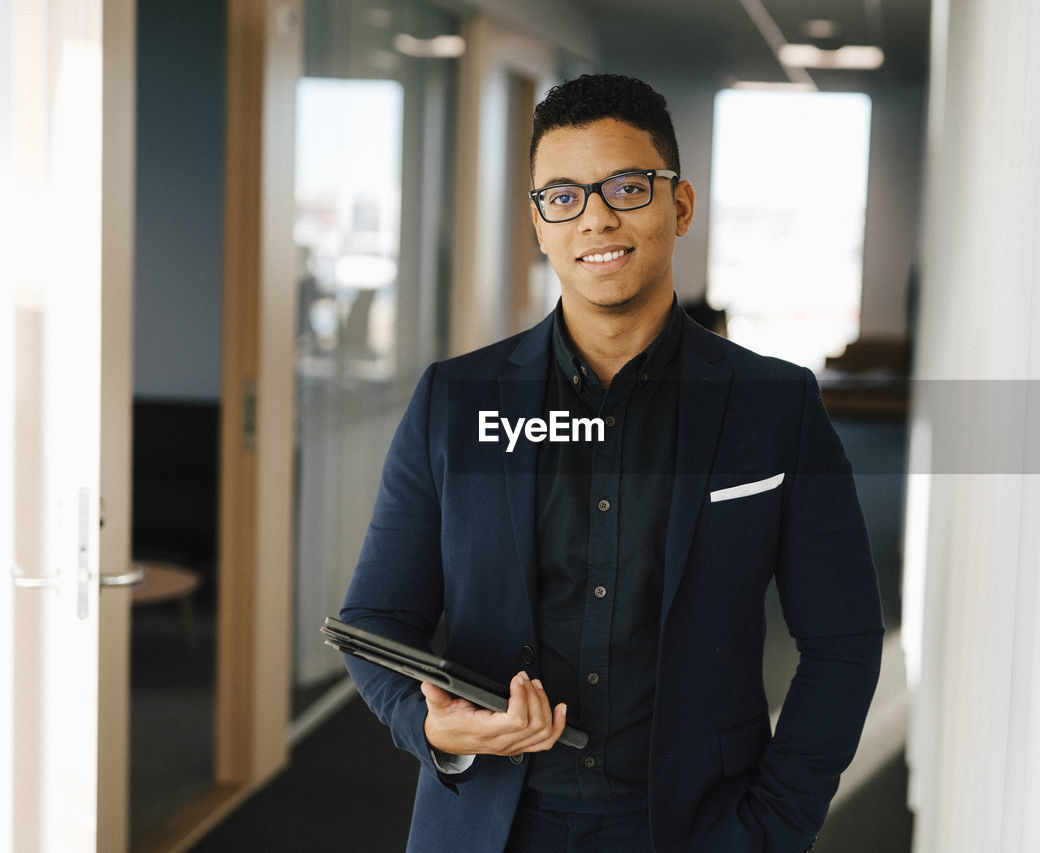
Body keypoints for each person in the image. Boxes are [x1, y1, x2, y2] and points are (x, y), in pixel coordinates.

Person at [340, 73, 883, 853]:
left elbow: (845, 638)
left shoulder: (775, 407)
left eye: (628, 186)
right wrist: (429, 723)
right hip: (488, 826)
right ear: (538, 224)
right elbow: (373, 620)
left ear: (680, 204)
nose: (596, 216)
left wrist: (772, 826)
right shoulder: (454, 403)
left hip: (694, 827)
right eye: (563, 196)